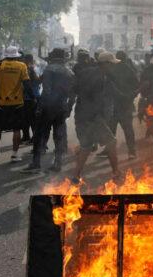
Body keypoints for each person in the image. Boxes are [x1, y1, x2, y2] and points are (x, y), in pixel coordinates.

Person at [72, 51, 120, 181]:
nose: (114, 67)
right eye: (112, 64)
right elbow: (97, 101)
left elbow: (74, 89)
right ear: (105, 64)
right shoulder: (100, 78)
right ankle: (116, 172)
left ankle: (76, 176)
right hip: (93, 117)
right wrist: (101, 117)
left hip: (81, 114)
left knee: (86, 146)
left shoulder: (85, 72)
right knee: (111, 141)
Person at [24, 48, 73, 173]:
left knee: (39, 134)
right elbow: (73, 93)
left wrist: (41, 106)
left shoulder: (48, 69)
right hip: (61, 107)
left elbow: (46, 89)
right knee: (59, 136)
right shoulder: (69, 72)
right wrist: (69, 107)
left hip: (47, 107)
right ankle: (57, 163)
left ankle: (36, 163)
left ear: (52, 57)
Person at [0, 46, 30, 162]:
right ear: (16, 55)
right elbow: (27, 84)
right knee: (17, 129)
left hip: (1, 103)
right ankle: (14, 155)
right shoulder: (22, 66)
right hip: (17, 103)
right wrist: (32, 97)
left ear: (6, 55)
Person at [109, 50, 140, 160]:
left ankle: (111, 153)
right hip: (124, 105)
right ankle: (131, 151)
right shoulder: (130, 70)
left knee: (111, 131)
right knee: (128, 130)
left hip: (114, 105)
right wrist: (131, 96)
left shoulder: (111, 70)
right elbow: (137, 86)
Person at [20, 53, 41, 144]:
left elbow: (27, 85)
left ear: (26, 60)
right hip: (33, 96)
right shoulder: (35, 68)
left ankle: (33, 137)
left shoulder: (28, 69)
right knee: (27, 119)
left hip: (30, 98)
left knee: (31, 119)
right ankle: (27, 136)